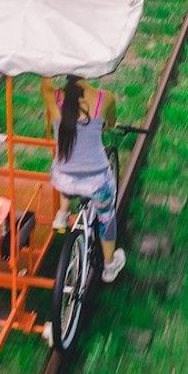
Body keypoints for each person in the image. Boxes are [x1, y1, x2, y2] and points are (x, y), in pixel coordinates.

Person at [41, 75, 126, 282]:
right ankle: (109, 265)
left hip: (63, 178)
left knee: (67, 175)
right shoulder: (104, 98)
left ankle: (62, 214)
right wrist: (107, 125)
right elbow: (111, 122)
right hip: (96, 180)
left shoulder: (54, 97)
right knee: (106, 216)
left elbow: (45, 82)